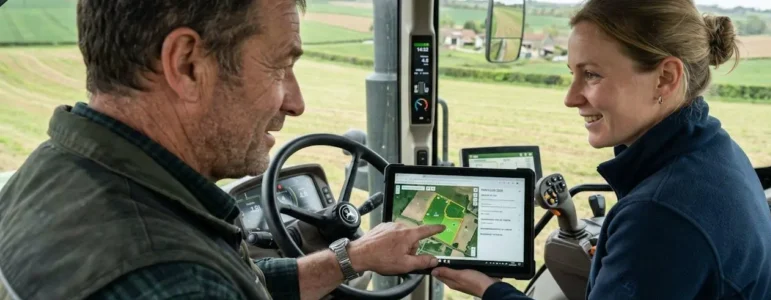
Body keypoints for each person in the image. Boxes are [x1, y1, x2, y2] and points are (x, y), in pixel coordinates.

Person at [0, 0, 445, 299]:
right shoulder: (173, 279)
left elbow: (234, 276)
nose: (296, 102)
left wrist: (353, 257)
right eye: (280, 67)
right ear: (188, 65)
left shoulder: (53, 169)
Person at [433, 0, 771, 299]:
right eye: (573, 73)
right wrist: (491, 287)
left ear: (665, 77)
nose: (570, 99)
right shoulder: (717, 152)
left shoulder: (659, 216)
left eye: (592, 75)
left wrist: (491, 291)